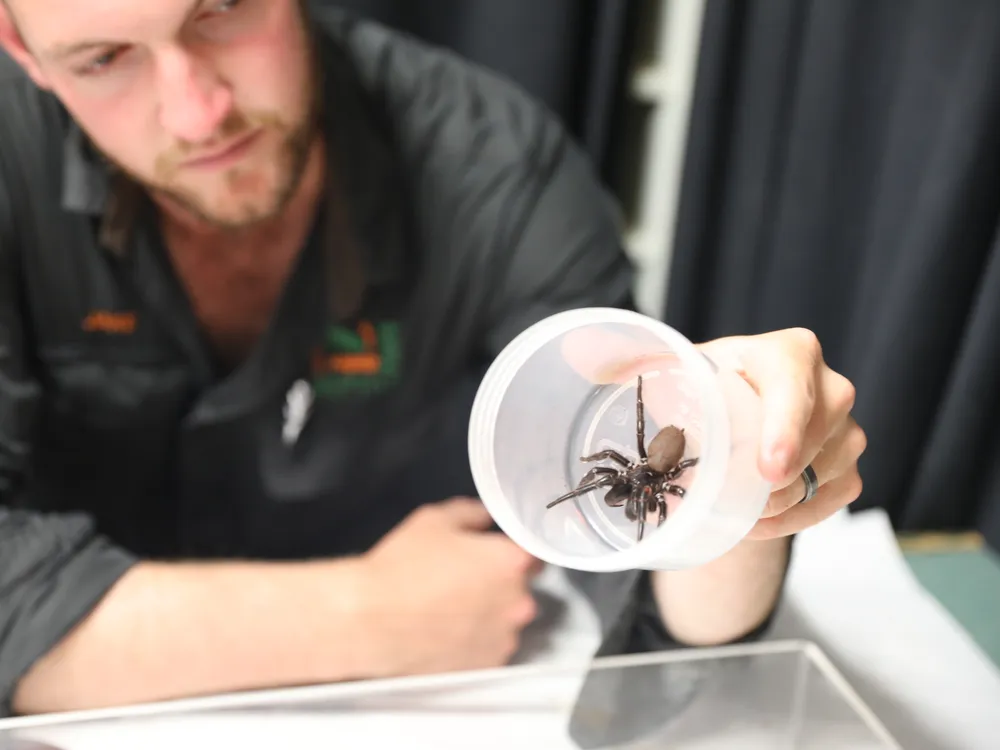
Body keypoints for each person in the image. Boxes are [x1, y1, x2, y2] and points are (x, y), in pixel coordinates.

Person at [0, 0, 866, 718]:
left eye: (223, 10)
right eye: (104, 58)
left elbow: (673, 642)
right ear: (20, 47)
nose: (198, 112)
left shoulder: (495, 170)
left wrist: (743, 467)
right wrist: (364, 616)